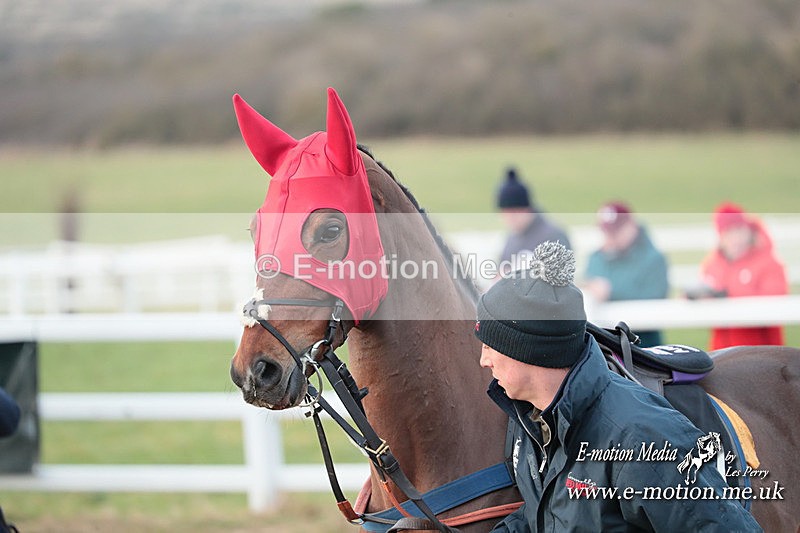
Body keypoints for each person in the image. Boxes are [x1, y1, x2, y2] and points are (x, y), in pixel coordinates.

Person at [475, 241, 761, 532]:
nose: (484, 360)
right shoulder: (533, 421)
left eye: (490, 346)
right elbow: (545, 517)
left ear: (527, 352)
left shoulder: (641, 439)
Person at [690, 202, 788, 350]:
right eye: (729, 232)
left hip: (761, 352)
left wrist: (726, 296)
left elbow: (774, 303)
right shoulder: (712, 265)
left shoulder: (768, 262)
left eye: (739, 229)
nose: (736, 237)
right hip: (721, 351)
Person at [584, 201, 669, 347]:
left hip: (643, 340)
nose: (610, 237)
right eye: (607, 232)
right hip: (606, 338)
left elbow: (655, 295)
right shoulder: (596, 257)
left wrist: (610, 291)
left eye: (616, 232)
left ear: (631, 227)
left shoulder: (653, 259)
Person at [496, 167, 570, 274]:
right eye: (505, 213)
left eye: (514, 213)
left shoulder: (554, 236)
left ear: (527, 209)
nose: (509, 219)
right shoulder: (511, 238)